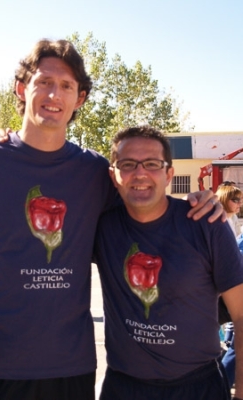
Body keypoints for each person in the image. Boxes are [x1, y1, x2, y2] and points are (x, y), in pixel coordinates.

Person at [0, 39, 222, 400]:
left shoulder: (93, 172)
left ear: (81, 99)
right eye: (43, 81)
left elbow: (147, 212)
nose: (53, 94)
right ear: (21, 88)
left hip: (71, 370)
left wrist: (194, 202)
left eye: (67, 86)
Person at [93, 125, 243, 400]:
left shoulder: (206, 223)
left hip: (198, 387)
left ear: (169, 174)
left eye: (152, 164)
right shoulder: (102, 228)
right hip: (123, 387)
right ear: (114, 175)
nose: (140, 173)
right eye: (127, 164)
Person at [216, 184, 243, 388]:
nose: (239, 204)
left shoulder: (232, 220)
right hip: (225, 287)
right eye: (235, 199)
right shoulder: (218, 219)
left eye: (240, 200)